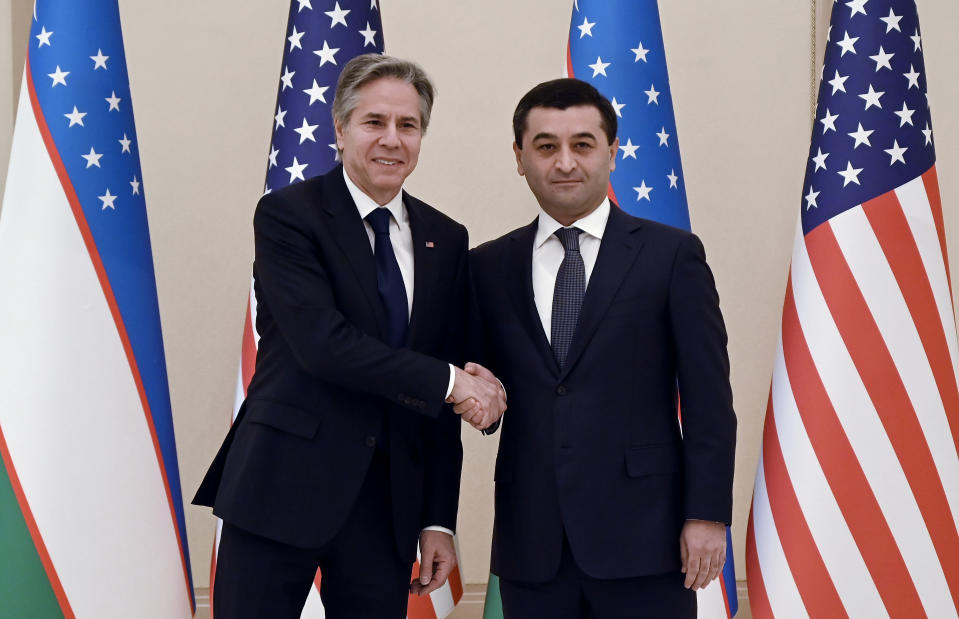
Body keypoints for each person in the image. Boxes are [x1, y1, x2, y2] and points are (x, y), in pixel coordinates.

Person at [193, 54, 506, 619]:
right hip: (280, 484)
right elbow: (324, 345)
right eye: (374, 122)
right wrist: (452, 381)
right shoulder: (288, 216)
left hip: (386, 506)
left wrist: (437, 517)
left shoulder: (445, 238)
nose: (392, 140)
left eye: (408, 126)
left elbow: (441, 387)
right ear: (339, 130)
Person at [463, 78, 736, 618]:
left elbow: (709, 398)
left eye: (583, 145)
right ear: (519, 157)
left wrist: (706, 515)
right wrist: (478, 403)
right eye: (546, 147)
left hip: (648, 543)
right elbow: (479, 384)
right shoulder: (485, 267)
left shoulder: (671, 255)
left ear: (612, 152)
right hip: (531, 545)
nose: (565, 162)